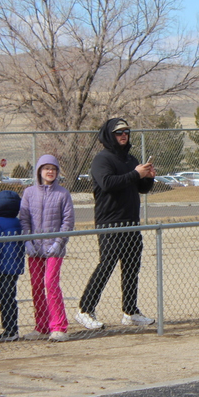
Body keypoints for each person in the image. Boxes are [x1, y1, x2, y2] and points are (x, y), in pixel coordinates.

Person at [76, 118, 156, 329]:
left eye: (126, 132)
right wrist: (135, 174)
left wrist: (147, 177)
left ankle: (130, 311)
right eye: (119, 132)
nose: (123, 136)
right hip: (110, 222)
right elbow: (108, 183)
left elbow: (141, 188)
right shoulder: (102, 159)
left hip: (131, 222)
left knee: (131, 267)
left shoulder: (131, 160)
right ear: (109, 135)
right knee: (107, 265)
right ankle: (85, 309)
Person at [19, 154, 74, 342]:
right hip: (34, 249)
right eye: (46, 168)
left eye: (53, 168)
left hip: (54, 248)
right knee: (36, 285)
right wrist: (28, 241)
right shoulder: (29, 193)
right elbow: (24, 219)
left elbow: (67, 222)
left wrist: (58, 243)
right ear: (39, 171)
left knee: (50, 283)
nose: (50, 172)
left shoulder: (63, 194)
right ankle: (41, 326)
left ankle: (59, 326)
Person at [0, 190, 25, 343]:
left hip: (2, 267)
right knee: (11, 296)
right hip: (15, 266)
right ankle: (12, 328)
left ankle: (10, 329)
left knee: (4, 298)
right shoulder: (18, 222)